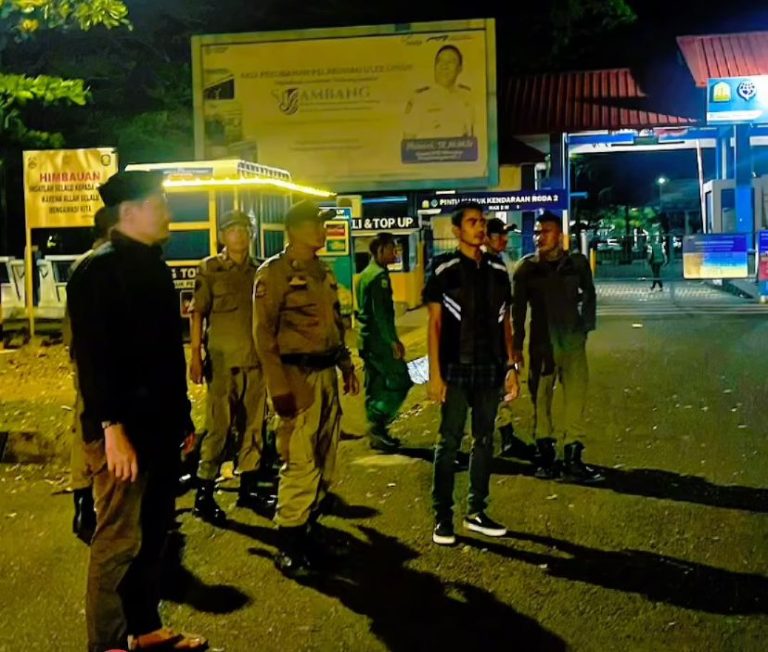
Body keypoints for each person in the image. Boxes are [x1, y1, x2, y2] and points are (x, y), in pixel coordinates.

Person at [67, 171, 207, 652]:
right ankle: (107, 642)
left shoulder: (152, 266)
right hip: (122, 432)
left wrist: (182, 420)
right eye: (159, 203)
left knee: (152, 534)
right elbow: (94, 360)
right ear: (129, 212)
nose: (168, 212)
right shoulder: (98, 271)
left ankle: (145, 630)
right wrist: (112, 428)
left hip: (159, 429)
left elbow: (165, 357)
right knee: (118, 541)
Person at [253, 200, 360, 579]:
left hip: (326, 375)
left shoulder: (323, 271)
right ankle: (289, 543)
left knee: (325, 458)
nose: (322, 230)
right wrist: (277, 387)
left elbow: (334, 325)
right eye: (315, 224)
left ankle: (309, 527)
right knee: (299, 461)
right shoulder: (274, 274)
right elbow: (263, 336)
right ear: (294, 229)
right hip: (295, 379)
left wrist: (345, 365)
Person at [424, 201, 519, 547]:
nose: (480, 228)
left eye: (482, 222)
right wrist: (435, 375)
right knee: (448, 441)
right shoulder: (443, 268)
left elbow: (505, 322)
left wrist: (511, 367)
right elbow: (434, 324)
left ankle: (476, 511)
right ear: (456, 230)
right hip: (455, 368)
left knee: (484, 439)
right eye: (472, 222)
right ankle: (442, 517)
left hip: (490, 368)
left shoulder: (497, 268)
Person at [189, 209, 274, 524]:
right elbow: (197, 313)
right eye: (232, 229)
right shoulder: (210, 269)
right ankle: (204, 492)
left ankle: (248, 488)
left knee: (254, 426)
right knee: (218, 428)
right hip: (223, 365)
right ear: (223, 236)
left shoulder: (261, 270)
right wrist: (195, 355)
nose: (239, 234)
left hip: (256, 362)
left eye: (244, 229)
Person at [511, 211, 603, 484]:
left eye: (546, 232)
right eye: (537, 232)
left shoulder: (577, 264)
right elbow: (518, 311)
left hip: (572, 343)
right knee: (541, 399)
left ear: (560, 236)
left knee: (575, 397)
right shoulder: (526, 269)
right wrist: (516, 346)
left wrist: (585, 328)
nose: (539, 237)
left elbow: (589, 294)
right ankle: (545, 455)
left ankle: (573, 456)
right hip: (542, 345)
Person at [63, 206, 118, 544]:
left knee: (87, 423)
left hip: (87, 357)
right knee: (91, 427)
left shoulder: (86, 263)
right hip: (95, 359)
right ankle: (86, 501)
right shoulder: (99, 264)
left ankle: (85, 500)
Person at [356, 233, 413, 452]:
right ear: (379, 250)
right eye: (391, 248)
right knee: (401, 380)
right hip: (379, 341)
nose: (395, 253)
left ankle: (377, 434)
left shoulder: (365, 274)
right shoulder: (379, 276)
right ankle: (377, 421)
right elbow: (380, 314)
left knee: (376, 384)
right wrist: (392, 341)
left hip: (366, 339)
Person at [484, 218, 535, 462]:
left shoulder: (498, 262)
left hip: (495, 340)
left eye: (505, 235)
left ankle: (505, 437)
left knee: (499, 393)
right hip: (486, 343)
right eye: (499, 235)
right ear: (486, 237)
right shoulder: (485, 265)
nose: (504, 239)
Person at [403, 44, 474, 139]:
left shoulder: (467, 97)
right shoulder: (420, 99)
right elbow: (408, 140)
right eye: (440, 61)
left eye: (451, 62)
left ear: (460, 68)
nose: (444, 66)